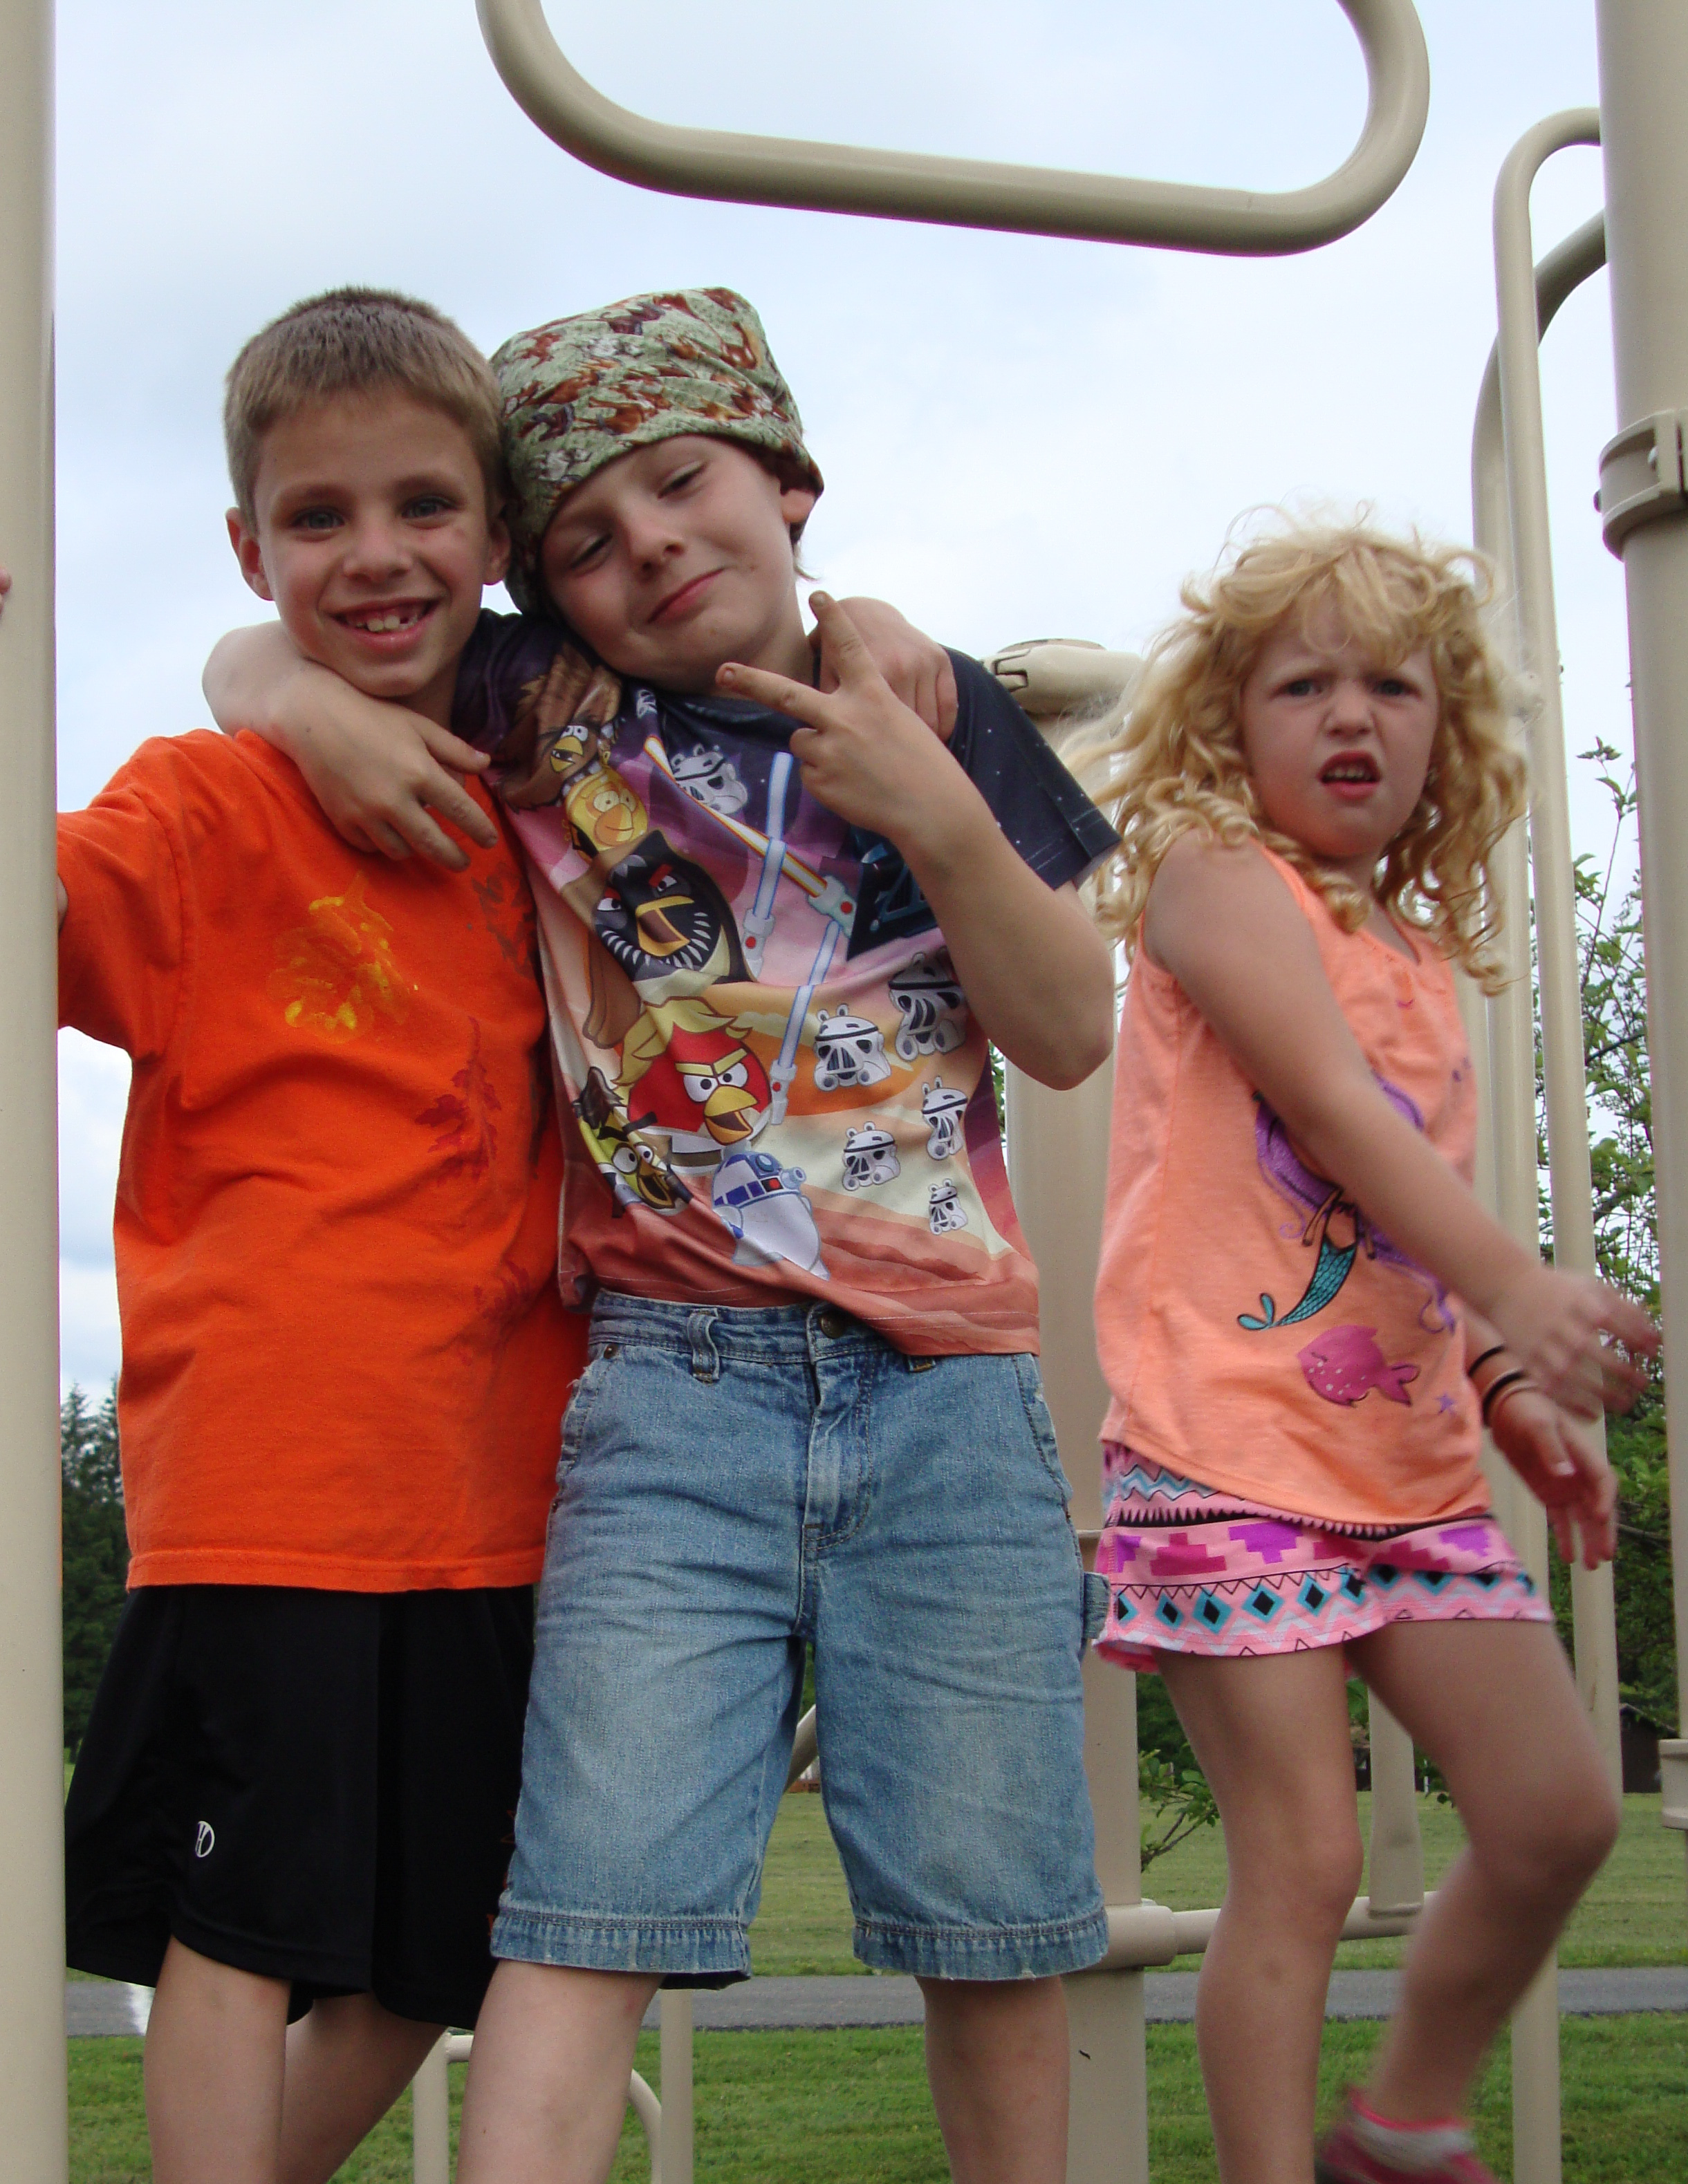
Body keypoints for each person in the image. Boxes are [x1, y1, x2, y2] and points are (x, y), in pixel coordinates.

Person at [206, 285, 1122, 2184]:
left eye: (686, 486)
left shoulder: (931, 695)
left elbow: (1067, 1024)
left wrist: (936, 812)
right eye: (586, 544)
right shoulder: (547, 700)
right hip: (671, 1400)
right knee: (582, 1905)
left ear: (789, 484)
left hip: (948, 1404)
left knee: (994, 1915)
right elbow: (242, 649)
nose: (649, 550)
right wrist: (302, 707)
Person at [55, 287, 588, 2184]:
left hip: (503, 1482)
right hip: (278, 1461)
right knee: (247, 1924)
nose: (376, 555)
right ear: (247, 547)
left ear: (500, 536)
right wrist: (267, 699)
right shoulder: (208, 802)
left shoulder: (556, 784)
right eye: (317, 519)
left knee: (444, 1943)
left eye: (425, 506)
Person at [1078, 519, 1658, 2184]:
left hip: (1402, 1475)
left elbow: (1422, 1216)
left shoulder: (1417, 962)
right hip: (1223, 1443)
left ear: (1446, 732)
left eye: (1393, 685)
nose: (1354, 716)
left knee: (1558, 1807)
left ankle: (1400, 2122)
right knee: (1306, 1857)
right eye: (1304, 682)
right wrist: (1531, 1281)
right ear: (1228, 722)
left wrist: (1507, 1381)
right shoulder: (1209, 879)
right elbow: (1330, 1112)